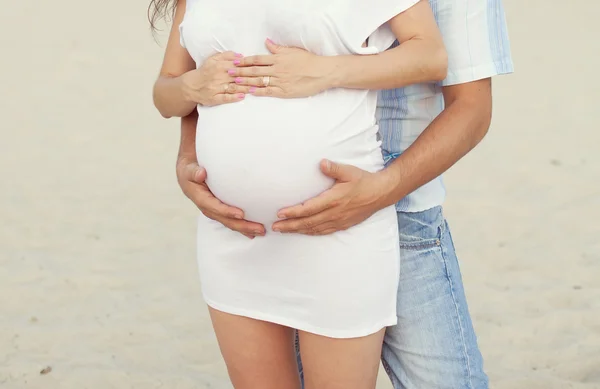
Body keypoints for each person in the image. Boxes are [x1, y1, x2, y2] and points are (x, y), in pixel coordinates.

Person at [151, 0, 448, 388]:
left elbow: (430, 55)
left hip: (336, 235)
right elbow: (166, 93)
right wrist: (193, 86)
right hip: (234, 239)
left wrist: (327, 71)